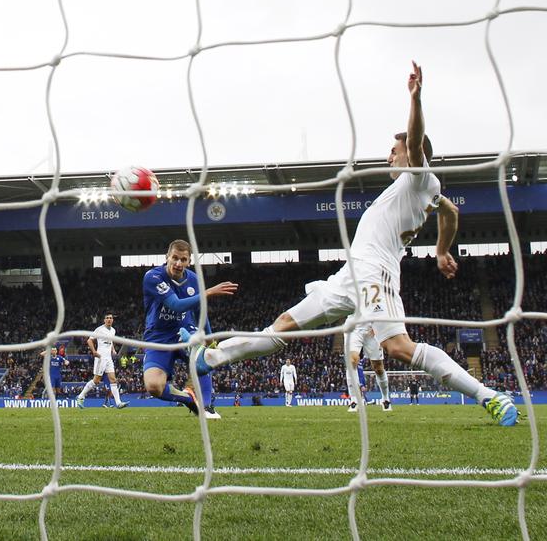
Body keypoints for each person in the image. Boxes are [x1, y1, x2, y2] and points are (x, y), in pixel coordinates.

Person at [188, 62, 518, 426]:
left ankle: (490, 397)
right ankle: (210, 359)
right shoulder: (416, 191)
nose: (389, 157)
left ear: (414, 152)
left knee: (399, 349)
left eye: (395, 150)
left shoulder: (420, 180)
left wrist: (415, 99)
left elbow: (419, 142)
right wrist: (441, 250)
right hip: (350, 276)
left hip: (376, 273)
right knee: (283, 323)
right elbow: (451, 212)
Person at [143, 240, 238, 420]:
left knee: (203, 355)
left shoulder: (194, 279)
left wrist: (210, 340)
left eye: (183, 260)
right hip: (158, 337)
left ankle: (207, 407)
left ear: (189, 261)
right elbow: (176, 305)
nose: (178, 263)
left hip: (185, 331)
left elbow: (199, 311)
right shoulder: (152, 277)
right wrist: (208, 292)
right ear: (167, 257)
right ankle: (188, 398)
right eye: (175, 258)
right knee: (154, 387)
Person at [76, 314, 127, 408]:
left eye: (111, 318)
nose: (109, 319)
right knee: (96, 380)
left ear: (113, 320)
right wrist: (94, 351)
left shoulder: (113, 330)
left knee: (113, 379)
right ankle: (80, 396)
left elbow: (110, 341)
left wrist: (113, 350)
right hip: (101, 357)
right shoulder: (99, 329)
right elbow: (89, 340)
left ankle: (118, 403)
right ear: (104, 320)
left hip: (108, 358)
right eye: (107, 318)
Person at [345, 316, 390, 412]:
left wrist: (379, 326)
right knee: (351, 361)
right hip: (353, 328)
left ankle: (386, 399)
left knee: (378, 368)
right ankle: (354, 401)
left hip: (372, 328)